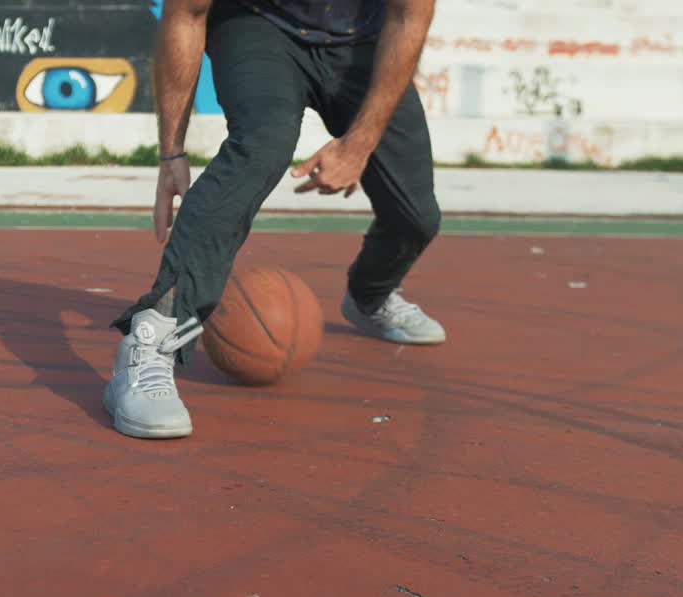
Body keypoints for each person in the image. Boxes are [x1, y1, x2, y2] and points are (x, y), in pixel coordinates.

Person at [104, 0, 444, 439]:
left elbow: (408, 16)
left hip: (362, 39)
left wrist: (358, 145)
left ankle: (370, 296)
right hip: (257, 21)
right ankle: (154, 336)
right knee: (263, 144)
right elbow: (185, 13)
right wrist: (172, 152)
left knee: (416, 218)